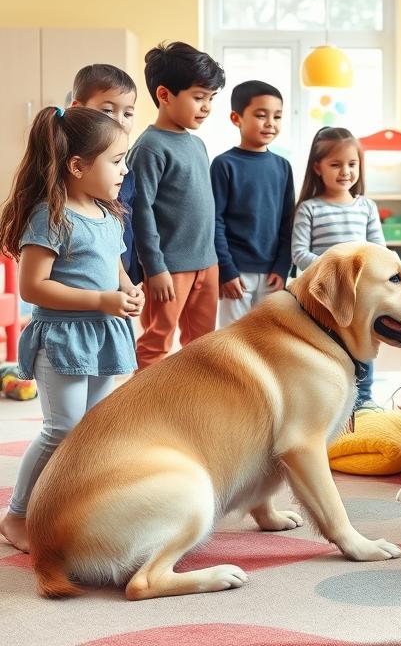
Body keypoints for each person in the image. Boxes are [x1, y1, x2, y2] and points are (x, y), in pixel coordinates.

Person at [0, 107, 142, 552]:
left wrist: (127, 289)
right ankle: (16, 515)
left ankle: (69, 506)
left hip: (103, 335)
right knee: (62, 428)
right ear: (78, 166)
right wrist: (100, 300)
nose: (125, 170)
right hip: (63, 339)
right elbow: (33, 287)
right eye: (116, 161)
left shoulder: (109, 214)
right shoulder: (51, 216)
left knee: (89, 432)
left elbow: (114, 263)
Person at [126, 41, 225, 369]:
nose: (206, 107)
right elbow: (140, 212)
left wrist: (213, 261)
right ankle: (146, 400)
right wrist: (155, 269)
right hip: (169, 269)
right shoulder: (149, 148)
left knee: (203, 345)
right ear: (165, 95)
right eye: (199, 97)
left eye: (211, 98)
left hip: (206, 264)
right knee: (156, 343)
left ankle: (193, 397)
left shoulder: (197, 144)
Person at [291, 127, 385, 411]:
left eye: (352, 164)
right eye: (336, 164)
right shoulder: (309, 209)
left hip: (359, 294)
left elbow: (378, 250)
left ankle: (364, 398)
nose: (345, 171)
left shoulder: (366, 207)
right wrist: (333, 271)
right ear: (317, 167)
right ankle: (325, 399)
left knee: (362, 342)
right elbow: (299, 253)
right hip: (323, 294)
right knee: (325, 346)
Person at [210, 80, 294, 327]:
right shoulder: (224, 164)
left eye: (277, 116)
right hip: (236, 273)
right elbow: (214, 220)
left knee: (270, 336)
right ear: (236, 118)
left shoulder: (283, 167)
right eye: (260, 115)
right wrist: (227, 269)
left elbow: (288, 221)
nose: (270, 123)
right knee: (233, 339)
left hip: (273, 274)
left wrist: (283, 267)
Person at [69, 64, 141, 283]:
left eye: (128, 113)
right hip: (84, 285)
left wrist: (129, 280)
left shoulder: (126, 173)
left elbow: (125, 226)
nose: (119, 120)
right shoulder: (74, 171)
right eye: (108, 110)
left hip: (119, 277)